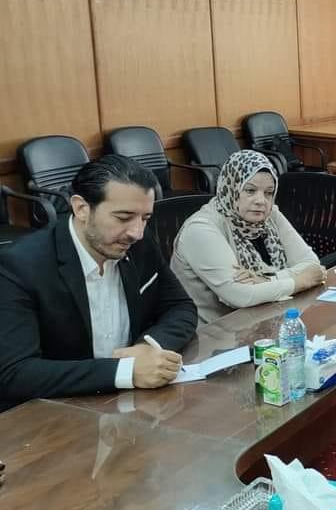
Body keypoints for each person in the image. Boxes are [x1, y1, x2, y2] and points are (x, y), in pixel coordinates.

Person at [0, 156, 197, 412]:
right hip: (53, 413)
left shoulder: (138, 244)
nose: (137, 232)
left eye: (145, 218)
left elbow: (181, 306)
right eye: (123, 217)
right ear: (81, 208)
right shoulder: (20, 265)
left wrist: (146, 347)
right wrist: (125, 371)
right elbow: (15, 372)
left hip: (130, 405)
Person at [170, 150, 326, 324]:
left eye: (268, 193)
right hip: (215, 332)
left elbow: (312, 265)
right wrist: (299, 282)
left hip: (264, 320)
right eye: (250, 190)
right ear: (231, 188)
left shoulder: (270, 215)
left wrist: (267, 279)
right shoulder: (200, 229)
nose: (261, 200)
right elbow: (239, 296)